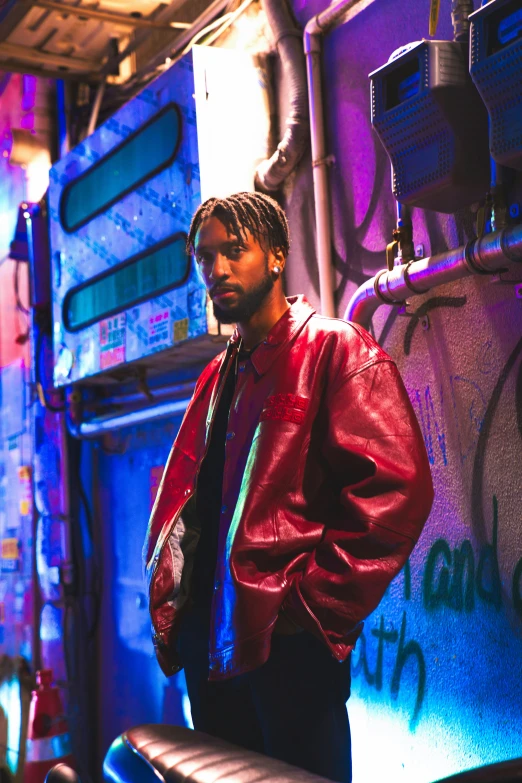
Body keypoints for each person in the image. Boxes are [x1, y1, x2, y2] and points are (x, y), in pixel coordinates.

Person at [143, 192, 433, 783]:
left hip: (286, 643)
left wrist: (310, 610)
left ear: (276, 256)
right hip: (213, 644)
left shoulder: (333, 349)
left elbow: (396, 491)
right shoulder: (219, 373)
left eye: (234, 251)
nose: (216, 270)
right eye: (205, 257)